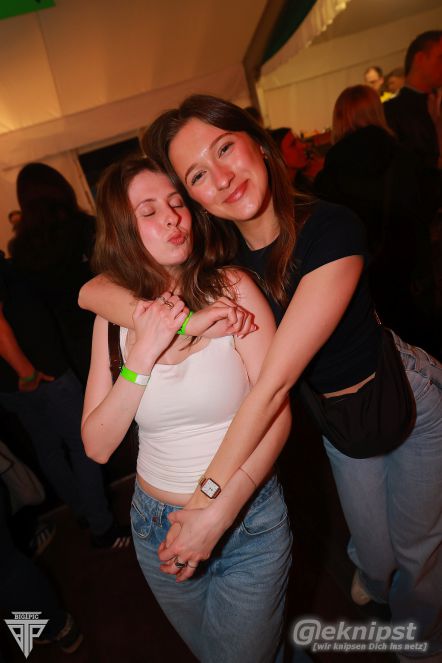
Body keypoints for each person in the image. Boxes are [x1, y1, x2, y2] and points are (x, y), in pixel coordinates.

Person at [80, 95, 442, 659]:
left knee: (419, 547)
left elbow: (272, 389)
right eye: (198, 175)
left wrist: (210, 502)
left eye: (224, 148)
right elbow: (93, 290)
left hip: (397, 389)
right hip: (335, 416)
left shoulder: (329, 230)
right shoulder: (221, 252)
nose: (220, 178)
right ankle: (375, 583)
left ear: (257, 142)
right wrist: (168, 330)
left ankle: (422, 642)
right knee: (373, 551)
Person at [81, 156, 292, 663]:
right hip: (154, 525)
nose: (173, 218)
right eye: (149, 211)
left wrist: (215, 510)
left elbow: (277, 414)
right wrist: (144, 353)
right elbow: (98, 445)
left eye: (176, 203)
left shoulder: (233, 290)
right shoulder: (112, 321)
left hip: (246, 520)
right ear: (123, 231)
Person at [314, 84, 440, 355]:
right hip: (413, 286)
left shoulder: (327, 179)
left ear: (339, 119)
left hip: (366, 296)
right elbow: (429, 206)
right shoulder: (405, 159)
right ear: (377, 112)